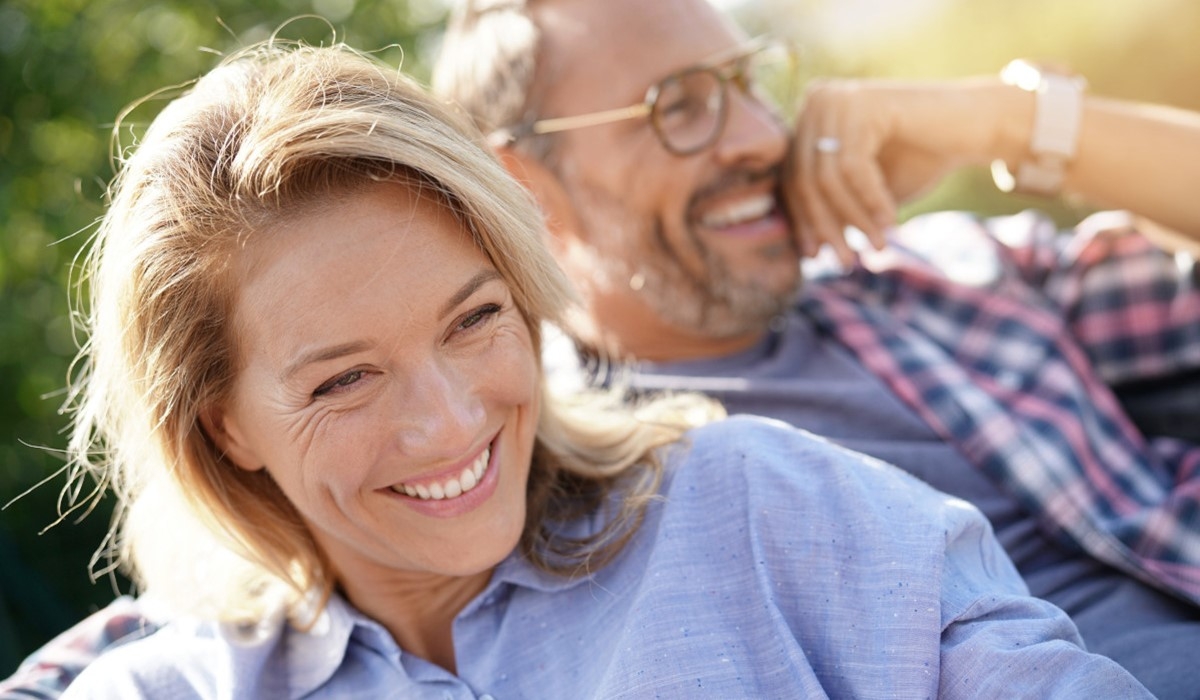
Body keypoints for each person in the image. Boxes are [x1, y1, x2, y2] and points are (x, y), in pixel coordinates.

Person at [2, 39, 1154, 699]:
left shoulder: (763, 507)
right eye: (343, 379)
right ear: (224, 426)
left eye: (474, 320)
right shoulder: (166, 684)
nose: (449, 421)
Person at [430, 0, 1200, 697]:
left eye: (748, 81)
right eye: (680, 107)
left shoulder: (939, 277)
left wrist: (1006, 120)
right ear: (523, 188)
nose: (764, 137)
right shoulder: (556, 483)